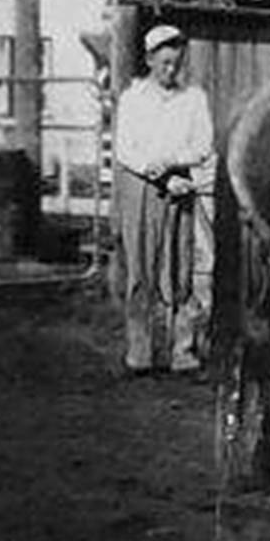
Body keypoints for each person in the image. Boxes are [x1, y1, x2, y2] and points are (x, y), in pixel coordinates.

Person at [113, 22, 216, 376]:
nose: (171, 70)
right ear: (149, 60)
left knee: (180, 270)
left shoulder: (194, 98)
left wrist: (173, 166)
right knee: (141, 270)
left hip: (180, 184)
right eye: (164, 63)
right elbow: (126, 148)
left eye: (176, 63)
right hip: (140, 186)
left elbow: (203, 145)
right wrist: (156, 172)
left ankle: (182, 351)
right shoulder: (133, 99)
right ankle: (139, 353)